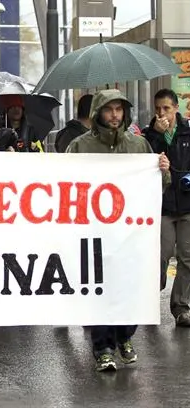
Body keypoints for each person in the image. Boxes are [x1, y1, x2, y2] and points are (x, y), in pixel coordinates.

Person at [66, 89, 171, 372]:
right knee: (101, 290)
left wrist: (163, 170)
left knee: (130, 287)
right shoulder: (80, 146)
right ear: (98, 111)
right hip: (95, 232)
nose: (115, 115)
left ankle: (124, 337)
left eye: (119, 109)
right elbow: (63, 183)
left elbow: (157, 187)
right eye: (109, 109)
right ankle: (102, 347)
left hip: (131, 232)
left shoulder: (138, 145)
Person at [143, 89, 190, 325]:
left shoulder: (187, 132)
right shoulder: (149, 134)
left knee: (187, 258)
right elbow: (142, 157)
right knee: (160, 256)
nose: (162, 113)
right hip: (161, 206)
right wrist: (157, 136)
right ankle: (150, 299)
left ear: (175, 109)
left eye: (166, 109)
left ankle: (181, 307)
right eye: (158, 109)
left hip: (187, 204)